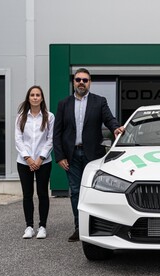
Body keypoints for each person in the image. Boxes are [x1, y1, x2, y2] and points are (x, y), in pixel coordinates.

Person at [53, 68, 124, 242]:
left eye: (85, 80)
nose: (81, 83)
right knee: (76, 191)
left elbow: (109, 119)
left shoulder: (99, 102)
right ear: (73, 82)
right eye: (78, 79)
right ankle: (79, 227)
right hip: (71, 155)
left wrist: (116, 128)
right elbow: (57, 132)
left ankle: (97, 226)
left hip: (93, 155)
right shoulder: (64, 104)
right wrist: (60, 156)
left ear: (89, 82)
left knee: (94, 191)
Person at [15, 85, 54, 239]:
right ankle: (29, 226)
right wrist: (29, 159)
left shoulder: (49, 117)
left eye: (38, 95)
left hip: (43, 162)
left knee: (43, 193)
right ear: (29, 98)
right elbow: (18, 140)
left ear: (42, 98)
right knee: (27, 194)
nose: (35, 97)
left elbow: (50, 140)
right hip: (24, 162)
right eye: (32, 95)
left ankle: (42, 226)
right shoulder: (20, 117)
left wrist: (39, 158)